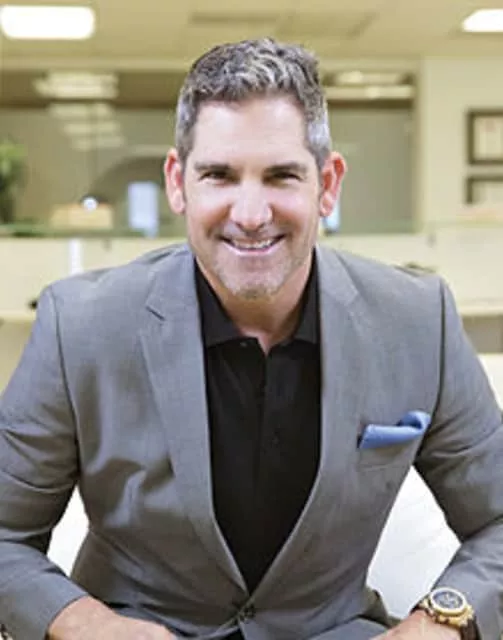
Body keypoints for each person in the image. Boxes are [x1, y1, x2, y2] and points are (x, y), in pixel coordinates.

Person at [0, 38, 502, 640]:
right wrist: (86, 624)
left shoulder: (419, 320)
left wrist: (441, 622)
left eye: (281, 176)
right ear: (178, 183)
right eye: (219, 175)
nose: (250, 213)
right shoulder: (78, 325)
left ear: (328, 184)